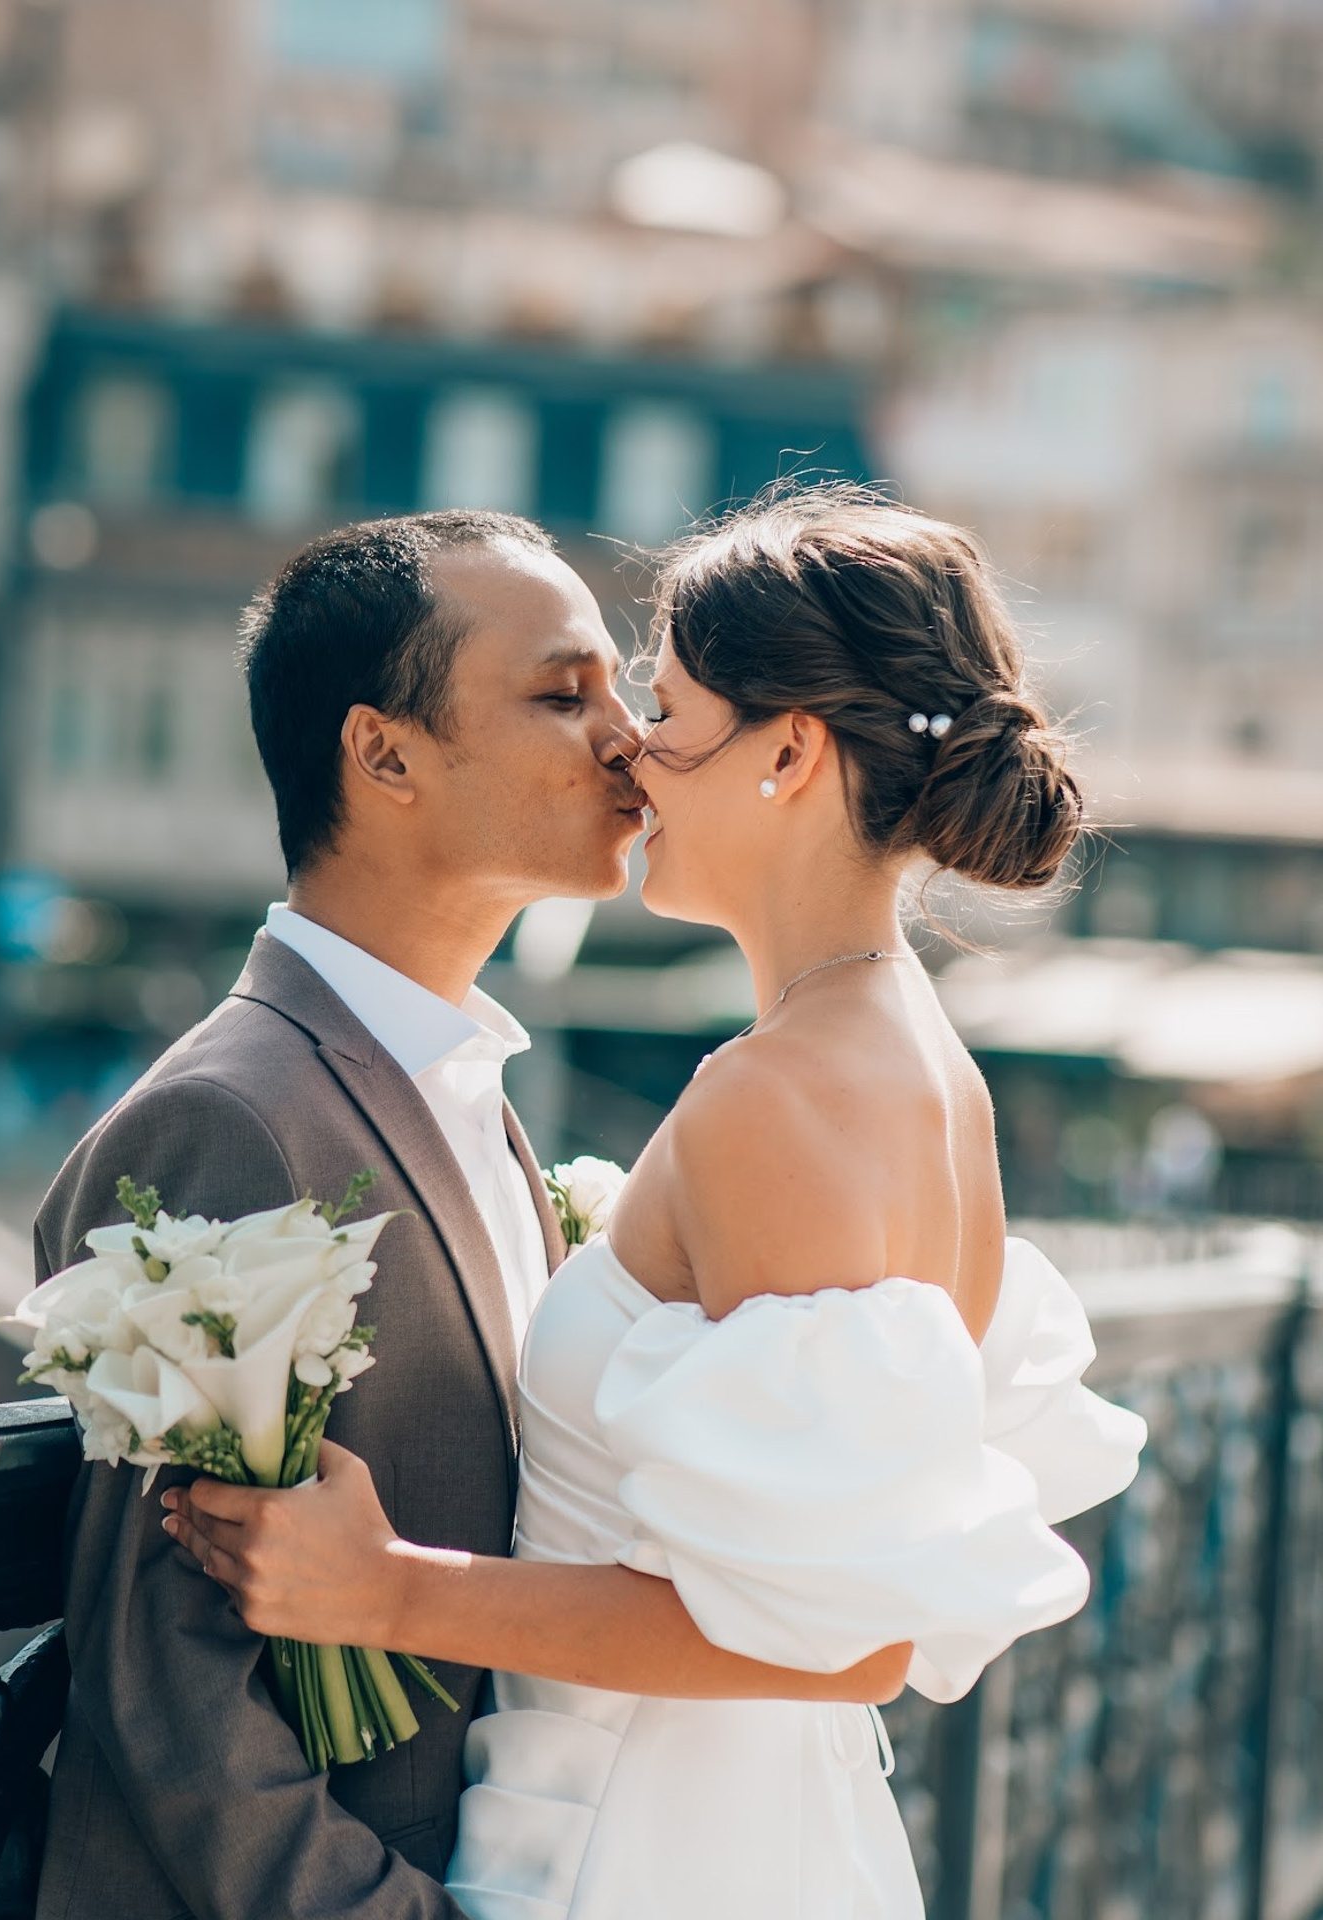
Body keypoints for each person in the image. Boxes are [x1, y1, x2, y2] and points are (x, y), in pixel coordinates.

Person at [162, 487, 1149, 1919]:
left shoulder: (778, 1093)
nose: (634, 751)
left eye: (669, 715)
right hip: (752, 1823)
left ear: (790, 754)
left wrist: (387, 1594)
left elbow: (851, 1642)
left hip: (643, 1835)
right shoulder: (929, 1071)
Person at [31, 508, 914, 1920]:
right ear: (383, 754)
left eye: (623, 693)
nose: (630, 739)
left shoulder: (477, 1103)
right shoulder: (228, 1121)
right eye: (565, 696)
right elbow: (166, 1696)